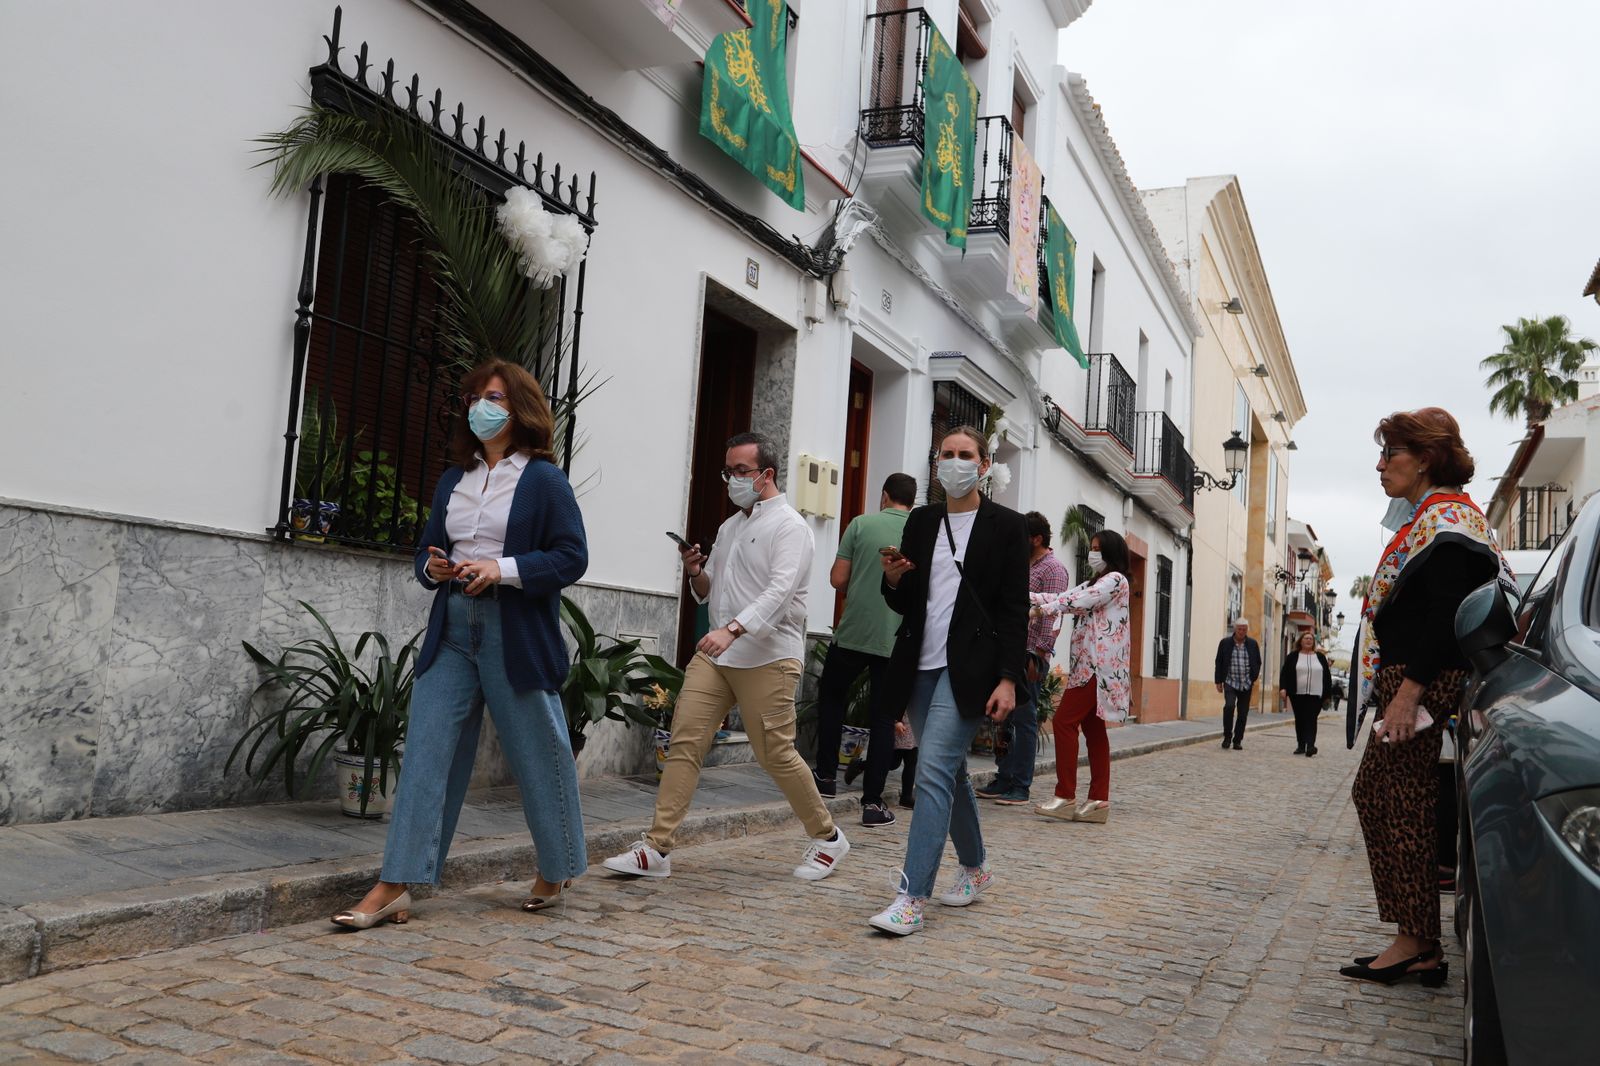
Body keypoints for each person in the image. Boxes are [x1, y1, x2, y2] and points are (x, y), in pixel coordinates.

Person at [333, 361, 589, 929]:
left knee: (538, 755)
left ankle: (557, 867)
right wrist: (434, 566)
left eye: (493, 397)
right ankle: (395, 884)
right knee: (426, 753)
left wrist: (501, 569)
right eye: (473, 397)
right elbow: (427, 550)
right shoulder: (456, 478)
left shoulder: (544, 479)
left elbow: (572, 557)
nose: (480, 407)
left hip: (514, 632)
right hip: (452, 628)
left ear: (519, 406)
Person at [602, 432, 848, 881]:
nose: (731, 479)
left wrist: (732, 629)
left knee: (775, 753)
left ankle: (828, 837)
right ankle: (657, 848)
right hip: (719, 657)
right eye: (727, 471)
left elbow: (780, 592)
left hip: (768, 655)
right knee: (684, 741)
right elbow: (707, 590)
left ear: (766, 475)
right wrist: (696, 569)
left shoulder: (791, 527)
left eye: (740, 471)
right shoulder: (730, 527)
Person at [1340, 407, 1514, 987]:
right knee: (1385, 799)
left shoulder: (1449, 525)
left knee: (1399, 805)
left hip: (1419, 682)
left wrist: (1408, 693)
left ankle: (1416, 943)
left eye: (1392, 453)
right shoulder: (1441, 519)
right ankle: (1416, 940)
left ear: (1427, 459)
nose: (1381, 464)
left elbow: (1446, 617)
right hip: (1413, 681)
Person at [867, 426, 1028, 936]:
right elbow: (907, 598)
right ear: (937, 463)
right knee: (950, 773)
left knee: (932, 772)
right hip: (919, 662)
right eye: (947, 455)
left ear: (983, 466)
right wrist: (892, 579)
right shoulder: (921, 520)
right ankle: (976, 866)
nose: (955, 462)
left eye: (966, 455)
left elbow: (1012, 610)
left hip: (972, 668)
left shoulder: (1007, 526)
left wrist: (1008, 678)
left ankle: (911, 896)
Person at [812, 473, 916, 827]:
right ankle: (873, 803)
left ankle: (825, 778)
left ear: (884, 496)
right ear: (912, 501)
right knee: (885, 717)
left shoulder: (860, 523)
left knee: (832, 698)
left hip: (855, 631)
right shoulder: (921, 530)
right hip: (897, 638)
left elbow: (838, 579)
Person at [1029, 531, 1132, 823]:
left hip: (1097, 668)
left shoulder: (1115, 581)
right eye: (1092, 548)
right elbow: (1065, 596)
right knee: (1095, 732)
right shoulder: (1095, 582)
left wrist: (1041, 610)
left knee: (1063, 722)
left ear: (1110, 553)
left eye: (1098, 549)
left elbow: (1081, 600)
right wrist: (1028, 595)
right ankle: (1099, 801)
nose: (1093, 553)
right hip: (1087, 666)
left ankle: (1065, 795)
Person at [977, 511, 1069, 806]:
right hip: (1009, 649)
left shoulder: (1053, 569)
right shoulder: (1019, 562)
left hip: (1031, 654)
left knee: (1026, 720)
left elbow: (1052, 613)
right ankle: (1003, 778)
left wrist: (1039, 653)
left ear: (1036, 539)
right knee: (1005, 719)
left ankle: (1020, 785)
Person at [1278, 630, 1332, 756]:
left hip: (1316, 694)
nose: (1308, 640)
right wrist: (1283, 688)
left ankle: (1311, 745)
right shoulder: (1293, 656)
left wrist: (1327, 695)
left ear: (1313, 642)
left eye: (1310, 639)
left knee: (1311, 718)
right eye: (1306, 638)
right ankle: (1301, 745)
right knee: (1300, 719)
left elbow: (1327, 677)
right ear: (1300, 641)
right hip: (1297, 693)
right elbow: (1284, 673)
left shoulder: (1320, 657)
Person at [1213, 619, 1261, 749]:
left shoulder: (1252, 644)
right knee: (1229, 707)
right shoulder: (1225, 643)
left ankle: (1237, 740)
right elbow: (1219, 662)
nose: (1241, 631)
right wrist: (1218, 681)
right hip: (1230, 681)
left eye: (1244, 629)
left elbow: (1258, 661)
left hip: (1246, 683)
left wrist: (1253, 677)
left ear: (1247, 630)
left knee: (1243, 713)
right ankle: (1227, 737)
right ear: (1235, 629)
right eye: (1239, 629)